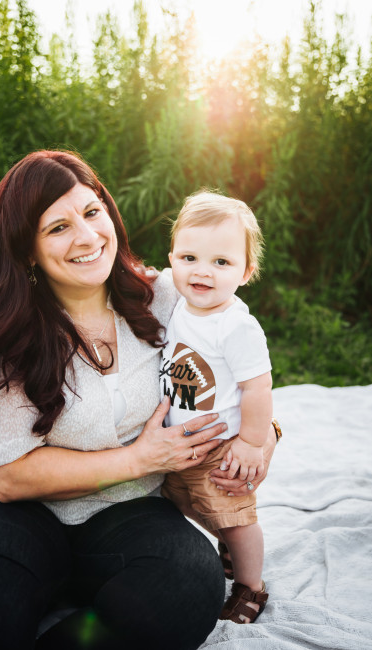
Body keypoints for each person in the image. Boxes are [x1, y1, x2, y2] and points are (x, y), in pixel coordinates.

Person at [0, 151, 277, 650]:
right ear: (26, 249)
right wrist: (138, 458)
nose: (86, 236)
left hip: (130, 510)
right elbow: (5, 477)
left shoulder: (166, 295)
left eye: (92, 213)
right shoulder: (1, 334)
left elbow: (240, 369)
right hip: (16, 516)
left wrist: (261, 440)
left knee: (186, 583)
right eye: (57, 227)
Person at [160, 191, 276, 624]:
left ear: (246, 272)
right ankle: (226, 544)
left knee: (235, 516)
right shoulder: (177, 307)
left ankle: (251, 586)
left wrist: (250, 443)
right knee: (185, 504)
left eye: (221, 263)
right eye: (189, 257)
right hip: (180, 444)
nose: (202, 271)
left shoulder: (237, 326)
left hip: (220, 448)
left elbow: (258, 388)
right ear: (171, 259)